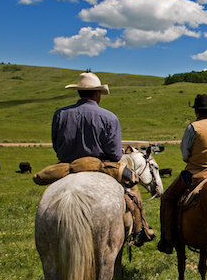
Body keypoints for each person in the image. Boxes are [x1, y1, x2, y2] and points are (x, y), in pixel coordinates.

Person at [49, 71, 154, 245]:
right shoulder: (109, 117)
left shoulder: (60, 114)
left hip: (68, 167)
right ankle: (139, 229)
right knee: (133, 190)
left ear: (79, 92)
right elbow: (114, 155)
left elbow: (56, 147)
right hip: (100, 166)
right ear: (98, 93)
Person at [157, 94, 207, 254]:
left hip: (196, 172)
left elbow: (185, 154)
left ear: (197, 112)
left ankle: (167, 240)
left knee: (168, 198)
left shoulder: (193, 127)